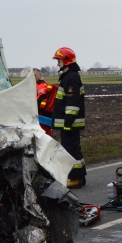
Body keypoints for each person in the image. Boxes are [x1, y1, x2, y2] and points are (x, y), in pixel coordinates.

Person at [51, 47, 86, 189]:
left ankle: (75, 178)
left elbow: (72, 103)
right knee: (74, 150)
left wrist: (67, 122)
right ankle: (80, 176)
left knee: (70, 151)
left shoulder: (71, 78)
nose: (57, 64)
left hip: (70, 124)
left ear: (65, 61)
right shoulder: (69, 76)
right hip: (69, 124)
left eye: (58, 60)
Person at [33, 68, 57, 135]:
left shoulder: (42, 85)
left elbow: (41, 98)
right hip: (41, 113)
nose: (33, 77)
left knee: (43, 133)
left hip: (42, 114)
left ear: (40, 75)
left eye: (35, 75)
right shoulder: (36, 85)